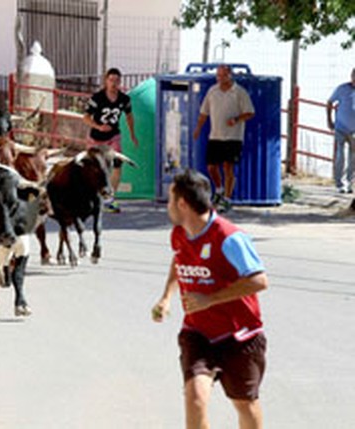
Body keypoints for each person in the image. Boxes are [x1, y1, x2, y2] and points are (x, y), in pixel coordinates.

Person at [152, 169, 268, 429]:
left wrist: (210, 299)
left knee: (244, 404)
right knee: (195, 397)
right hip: (198, 332)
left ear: (182, 204)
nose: (168, 206)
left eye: (171, 199)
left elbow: (259, 280)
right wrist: (166, 297)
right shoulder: (180, 233)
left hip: (241, 335)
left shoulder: (229, 238)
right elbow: (179, 259)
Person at [193, 65, 255, 213]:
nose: (219, 78)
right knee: (211, 167)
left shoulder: (239, 92)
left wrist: (237, 119)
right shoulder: (212, 91)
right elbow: (204, 113)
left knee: (228, 167)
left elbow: (250, 112)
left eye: (222, 76)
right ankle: (219, 190)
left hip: (233, 137)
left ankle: (227, 199)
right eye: (218, 76)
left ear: (230, 76)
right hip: (215, 136)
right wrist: (198, 129)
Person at [83, 67, 139, 213]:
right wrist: (98, 126)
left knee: (117, 165)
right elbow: (86, 117)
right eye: (111, 80)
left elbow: (129, 116)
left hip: (114, 136)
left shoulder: (124, 99)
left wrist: (133, 134)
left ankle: (110, 199)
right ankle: (91, 197)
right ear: (105, 81)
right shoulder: (97, 98)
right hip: (96, 138)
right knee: (93, 168)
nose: (114, 83)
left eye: (117, 81)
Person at [327, 68, 355, 194]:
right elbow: (329, 102)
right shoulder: (342, 89)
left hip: (354, 130)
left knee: (353, 157)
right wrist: (329, 120)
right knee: (340, 155)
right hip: (341, 127)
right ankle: (339, 183)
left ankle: (350, 183)